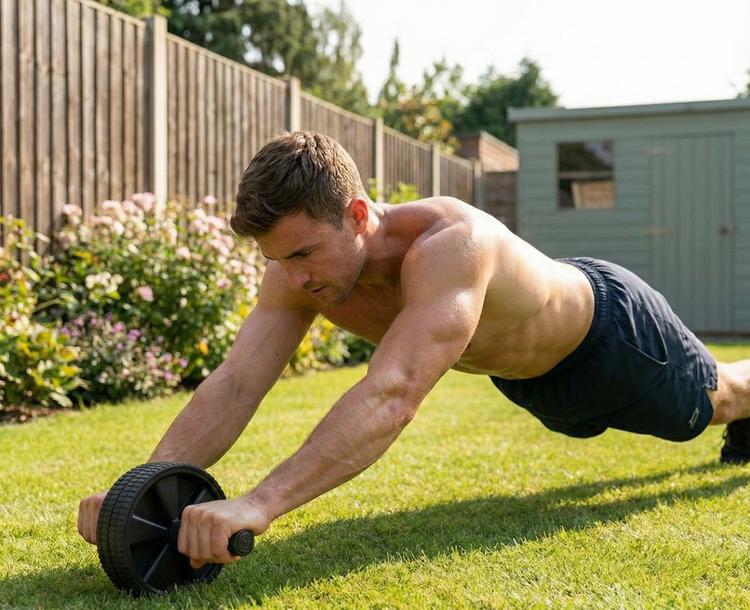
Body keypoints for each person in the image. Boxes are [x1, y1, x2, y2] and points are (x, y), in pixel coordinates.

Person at [77, 131, 750, 568]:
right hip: (530, 380)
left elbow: (392, 392)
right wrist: (140, 492)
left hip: (615, 340)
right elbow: (235, 384)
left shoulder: (451, 244)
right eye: (277, 259)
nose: (293, 278)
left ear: (358, 215)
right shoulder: (295, 274)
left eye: (304, 253)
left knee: (720, 401)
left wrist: (260, 502)